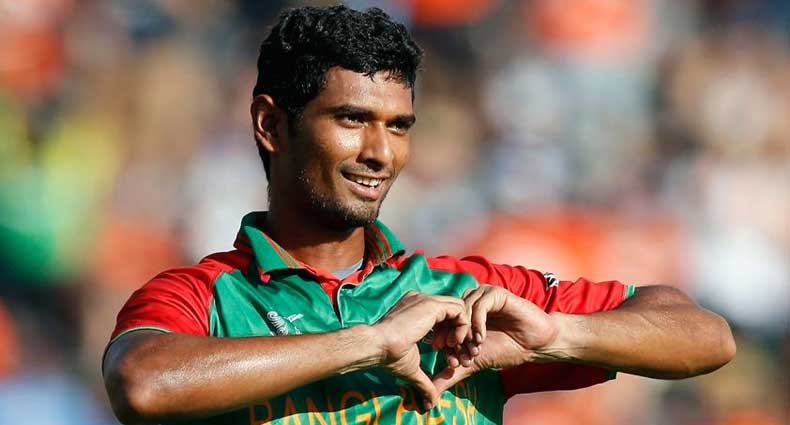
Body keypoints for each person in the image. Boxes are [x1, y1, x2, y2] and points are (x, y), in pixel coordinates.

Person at [102, 6, 735, 425]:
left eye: (399, 126)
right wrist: (369, 343)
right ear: (271, 124)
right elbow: (143, 384)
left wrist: (557, 337)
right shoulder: (204, 296)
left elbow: (703, 335)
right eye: (352, 119)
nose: (380, 153)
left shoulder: (460, 293)